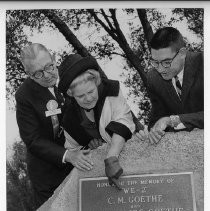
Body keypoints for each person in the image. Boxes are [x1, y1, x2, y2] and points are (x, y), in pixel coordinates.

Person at [58, 54, 136, 189]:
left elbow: (124, 121)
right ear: (71, 94)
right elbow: (72, 149)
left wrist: (111, 158)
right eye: (81, 96)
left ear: (96, 82)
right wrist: (88, 148)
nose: (88, 98)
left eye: (91, 91)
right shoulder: (68, 117)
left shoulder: (111, 90)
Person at [15, 43, 74, 209]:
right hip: (47, 177)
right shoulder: (24, 96)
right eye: (38, 73)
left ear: (54, 59)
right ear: (30, 75)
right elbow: (32, 140)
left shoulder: (69, 74)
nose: (47, 75)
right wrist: (67, 155)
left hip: (79, 164)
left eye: (49, 66)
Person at [134, 26, 204, 144]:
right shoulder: (153, 78)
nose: (160, 69)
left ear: (182, 53)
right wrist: (151, 131)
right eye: (155, 62)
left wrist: (172, 120)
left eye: (167, 62)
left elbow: (167, 120)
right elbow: (158, 118)